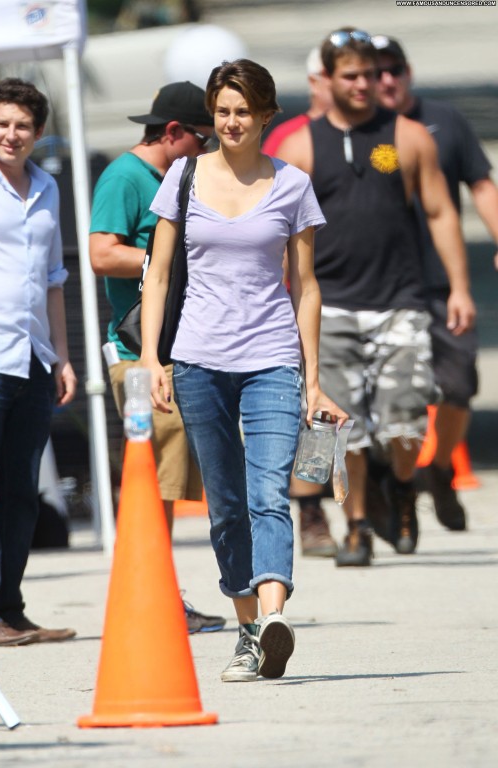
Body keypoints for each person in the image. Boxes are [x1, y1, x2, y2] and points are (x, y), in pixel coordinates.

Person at [140, 59, 348, 682]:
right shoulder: (182, 176)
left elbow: (305, 286)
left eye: (244, 112)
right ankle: (247, 630)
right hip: (198, 360)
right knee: (227, 505)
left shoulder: (292, 184)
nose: (232, 122)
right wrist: (152, 358)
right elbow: (159, 275)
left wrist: (313, 377)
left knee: (268, 495)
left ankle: (273, 616)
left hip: (272, 360)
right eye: (223, 111)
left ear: (265, 116)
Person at [275, 29, 475, 566]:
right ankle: (357, 524)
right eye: (351, 76)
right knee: (345, 430)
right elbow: (280, 233)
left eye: (368, 74)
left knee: (405, 422)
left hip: (400, 302)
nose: (363, 84)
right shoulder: (300, 146)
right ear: (327, 79)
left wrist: (459, 287)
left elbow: (440, 212)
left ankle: (403, 487)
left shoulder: (408, 136)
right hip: (332, 305)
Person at [89, 81, 226, 635]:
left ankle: (159, 593)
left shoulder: (175, 177)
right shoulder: (125, 177)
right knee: (153, 480)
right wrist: (165, 255)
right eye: (202, 138)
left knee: (166, 480)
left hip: (174, 350)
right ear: (172, 132)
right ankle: (151, 597)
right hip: (137, 355)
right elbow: (102, 253)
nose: (208, 148)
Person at [373, 34, 498, 532]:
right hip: (381, 284)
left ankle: (441, 467)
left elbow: (481, 184)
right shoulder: (363, 133)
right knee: (390, 396)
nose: (386, 79)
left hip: (443, 281)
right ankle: (392, 483)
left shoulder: (445, 120)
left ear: (408, 72)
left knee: (458, 383)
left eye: (393, 69)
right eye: (375, 71)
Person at [0, 78, 77, 645]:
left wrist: (62, 357)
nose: (11, 134)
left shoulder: (46, 187)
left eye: (23, 125)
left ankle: (10, 608)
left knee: (22, 495)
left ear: (38, 133)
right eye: (2, 124)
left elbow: (53, 280)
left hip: (33, 360)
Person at [263, 48, 337, 560]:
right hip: (300, 293)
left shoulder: (389, 135)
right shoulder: (293, 141)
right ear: (315, 81)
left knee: (347, 412)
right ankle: (311, 508)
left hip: (367, 286)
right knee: (309, 410)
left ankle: (377, 489)